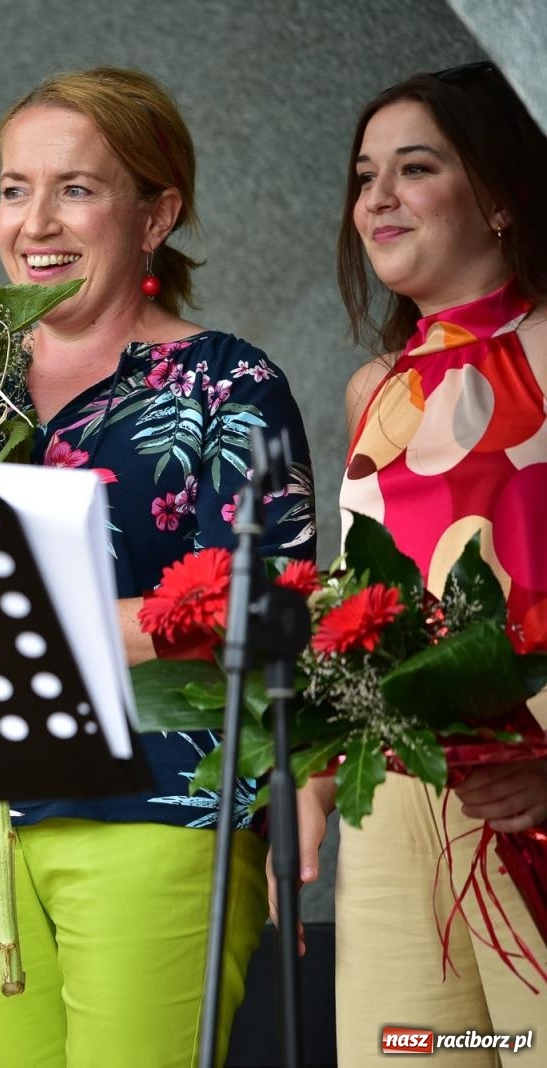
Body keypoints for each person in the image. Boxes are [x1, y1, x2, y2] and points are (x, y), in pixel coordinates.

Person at [0, 68, 317, 1066]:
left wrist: (63, 630)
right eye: (14, 187)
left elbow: (263, 605)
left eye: (77, 188)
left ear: (156, 213)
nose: (35, 221)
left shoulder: (228, 383)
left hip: (157, 813)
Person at [284, 61, 547, 1065]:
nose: (376, 200)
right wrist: (311, 784)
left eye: (415, 168)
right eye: (363, 176)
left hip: (526, 801)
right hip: (394, 800)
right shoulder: (372, 391)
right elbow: (355, 609)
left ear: (501, 193)